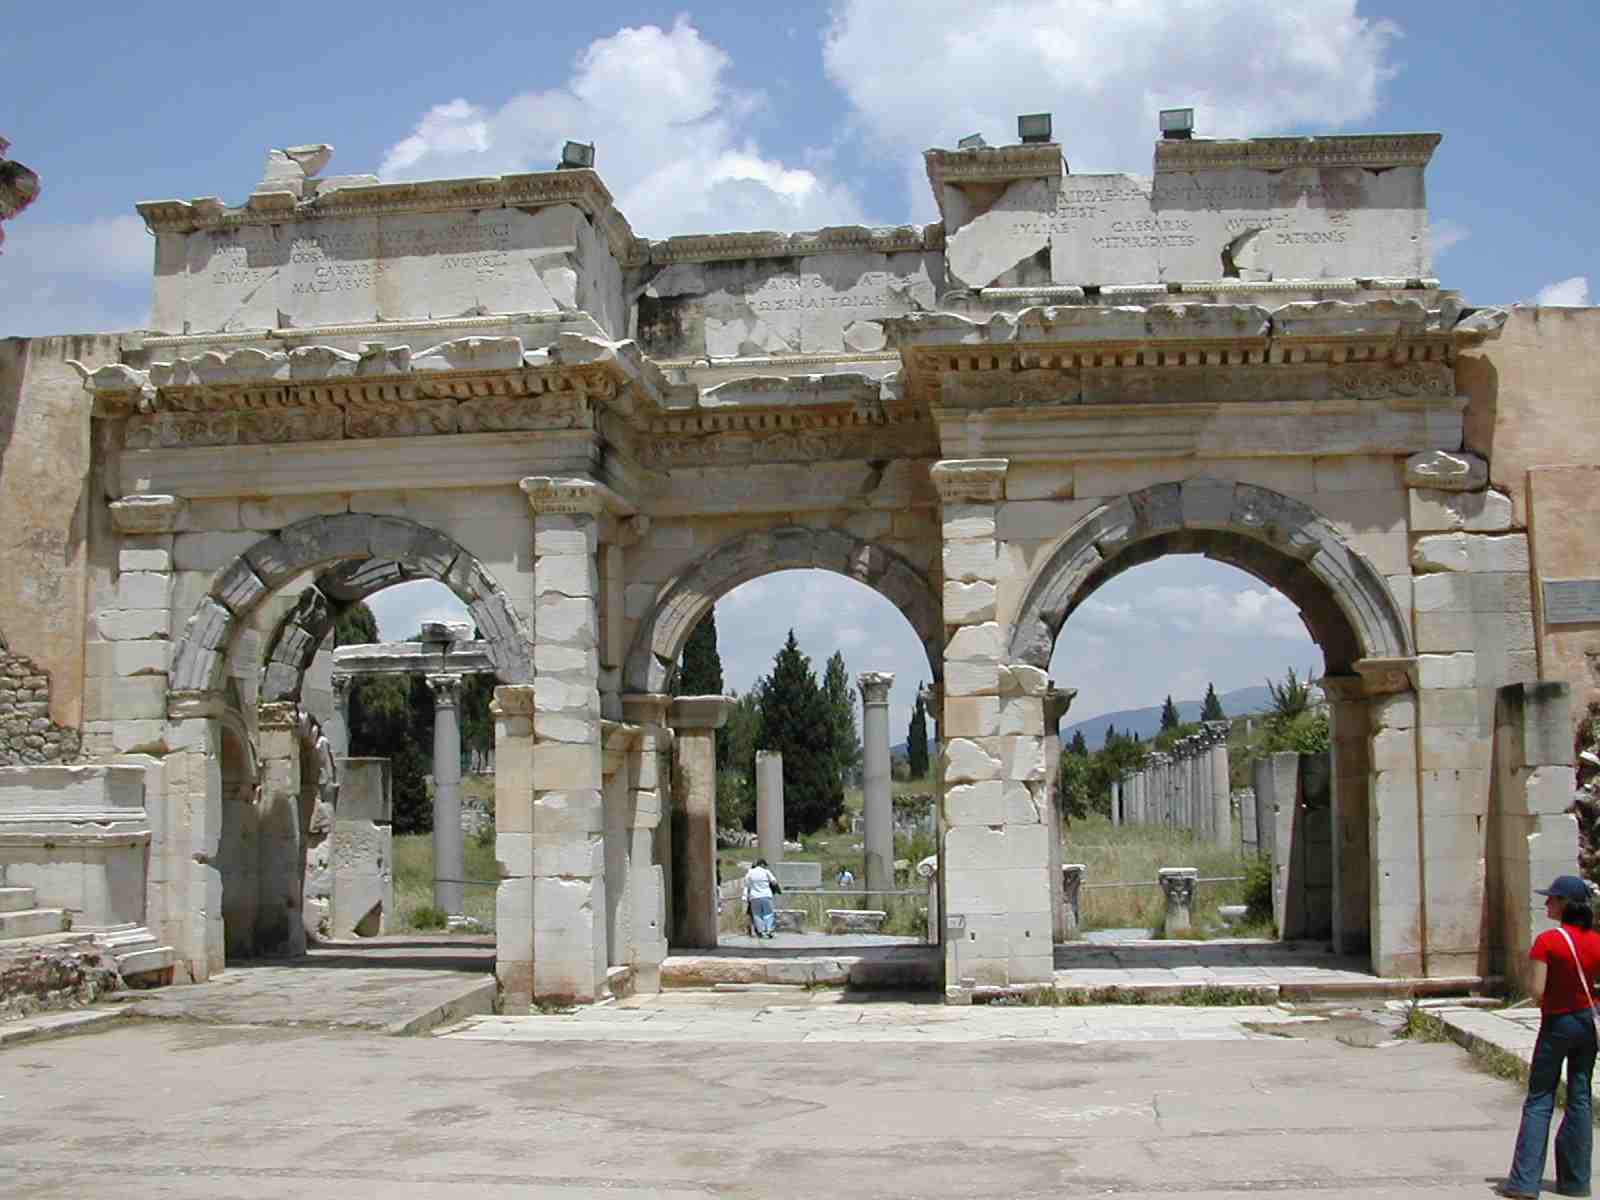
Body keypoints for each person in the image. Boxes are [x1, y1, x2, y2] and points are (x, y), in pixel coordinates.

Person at [1503, 874, 1600, 1199]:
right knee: (1581, 1097)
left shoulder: (1547, 941)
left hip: (1556, 1023)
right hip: (1586, 1024)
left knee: (1540, 1098)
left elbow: (1536, 991)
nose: (1547, 902)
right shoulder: (1596, 941)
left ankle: (1525, 1182)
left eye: (1552, 898)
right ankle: (1576, 1182)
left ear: (1565, 905)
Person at [744, 858, 779, 939]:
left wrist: (746, 896)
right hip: (766, 895)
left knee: (757, 914)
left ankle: (761, 932)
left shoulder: (750, 872)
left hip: (754, 897)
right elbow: (774, 881)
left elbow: (747, 884)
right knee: (768, 913)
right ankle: (769, 930)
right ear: (762, 864)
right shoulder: (766, 871)